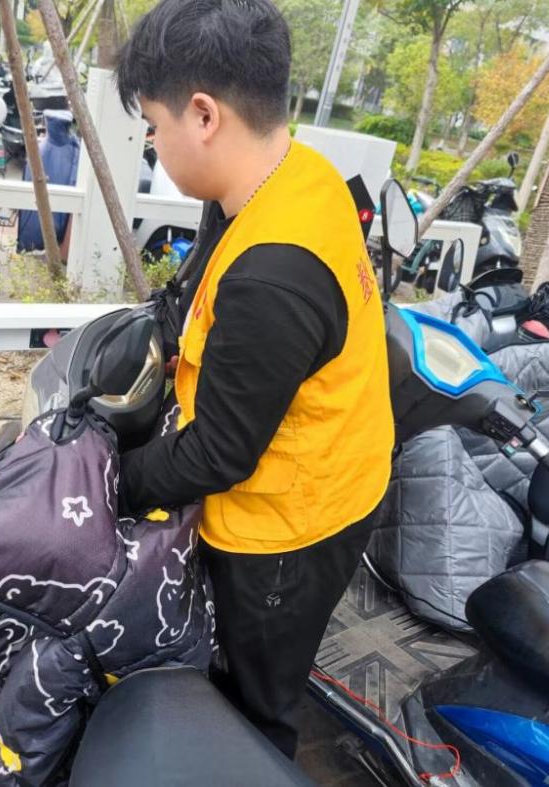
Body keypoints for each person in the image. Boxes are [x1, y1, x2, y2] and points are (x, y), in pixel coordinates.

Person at [115, 0, 394, 759]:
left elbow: (219, 454)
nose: (152, 143)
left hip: (288, 528)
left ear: (203, 115)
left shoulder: (273, 271)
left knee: (256, 697)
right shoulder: (298, 173)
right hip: (342, 462)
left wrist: (106, 484)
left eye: (153, 124)